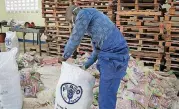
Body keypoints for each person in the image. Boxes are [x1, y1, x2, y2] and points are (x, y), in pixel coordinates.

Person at [61, 5, 129, 109]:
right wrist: (85, 66)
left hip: (114, 58)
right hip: (109, 56)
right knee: (107, 93)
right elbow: (97, 51)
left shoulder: (83, 14)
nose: (73, 25)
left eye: (71, 22)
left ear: (74, 14)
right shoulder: (94, 24)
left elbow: (75, 38)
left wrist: (64, 57)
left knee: (106, 95)